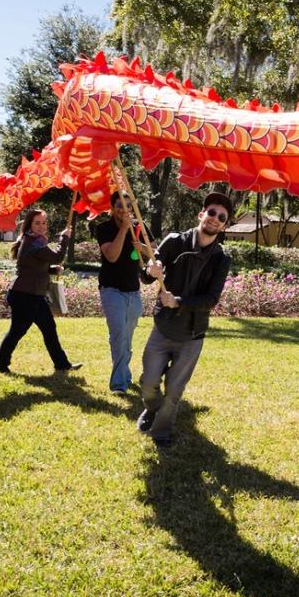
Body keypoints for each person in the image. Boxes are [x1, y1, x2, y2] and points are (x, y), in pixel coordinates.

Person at [136, 192, 233, 449]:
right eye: (211, 212)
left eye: (221, 217)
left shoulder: (221, 259)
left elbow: (211, 298)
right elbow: (146, 276)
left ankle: (161, 431)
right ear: (201, 214)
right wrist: (149, 269)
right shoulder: (174, 241)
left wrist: (179, 300)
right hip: (164, 327)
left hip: (192, 335)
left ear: (224, 226)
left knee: (175, 391)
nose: (215, 219)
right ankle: (151, 407)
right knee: (148, 382)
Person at [0, 209, 81, 374]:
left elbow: (34, 266)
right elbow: (56, 256)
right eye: (37, 223)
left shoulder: (35, 240)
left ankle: (62, 364)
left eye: (44, 223)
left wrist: (52, 270)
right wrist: (65, 237)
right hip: (25, 295)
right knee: (17, 331)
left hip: (32, 294)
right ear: (29, 225)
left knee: (48, 328)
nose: (41, 226)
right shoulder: (34, 241)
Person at [96, 191, 151, 394]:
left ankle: (124, 372)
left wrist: (142, 246)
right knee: (119, 336)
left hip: (133, 292)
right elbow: (111, 256)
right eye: (120, 205)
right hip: (111, 290)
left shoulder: (141, 228)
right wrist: (125, 229)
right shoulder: (104, 228)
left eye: (128, 205)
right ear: (112, 208)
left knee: (126, 338)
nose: (124, 209)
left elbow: (155, 253)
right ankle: (119, 383)